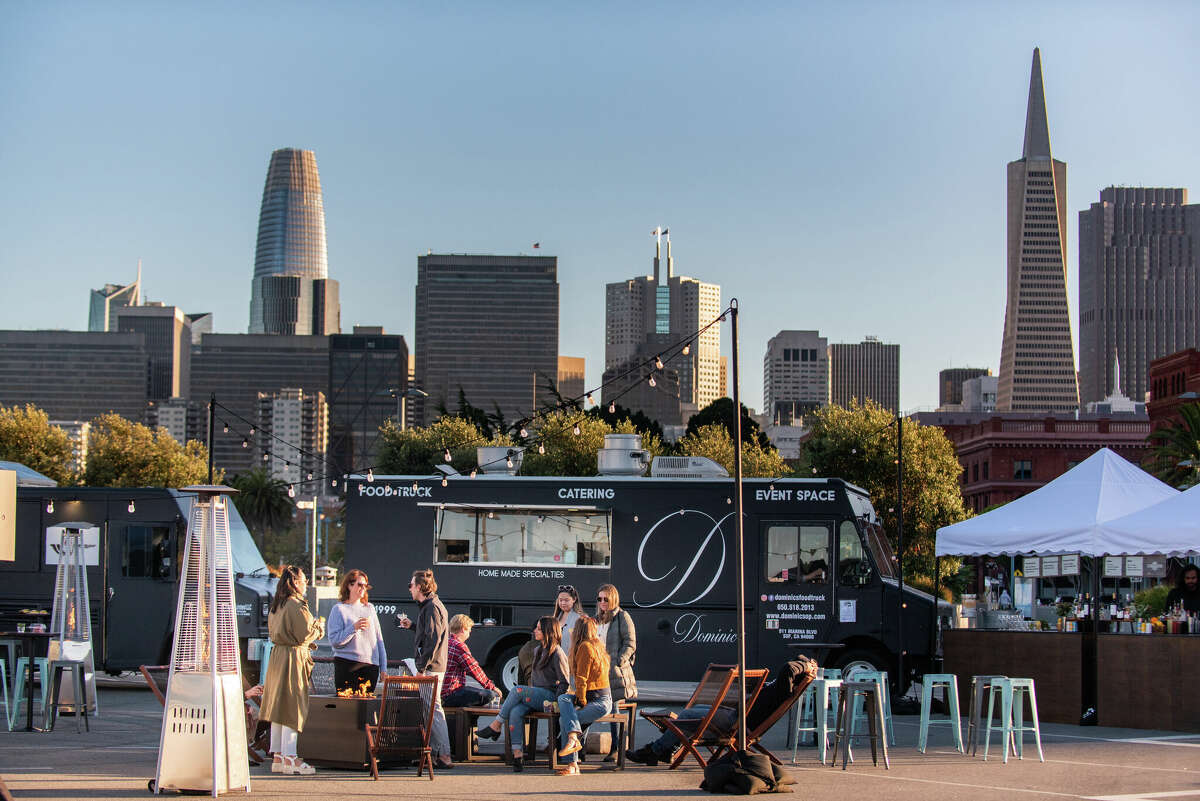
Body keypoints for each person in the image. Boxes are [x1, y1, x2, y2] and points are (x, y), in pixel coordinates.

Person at [627, 657, 818, 766]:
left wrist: (806, 665)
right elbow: (792, 665)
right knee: (693, 711)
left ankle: (654, 750)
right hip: (735, 717)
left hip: (737, 723)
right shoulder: (783, 687)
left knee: (685, 717)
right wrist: (806, 661)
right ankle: (668, 749)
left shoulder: (783, 689)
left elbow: (788, 668)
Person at [475, 616, 569, 772]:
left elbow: (565, 682)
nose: (535, 631)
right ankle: (517, 755)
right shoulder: (538, 650)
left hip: (550, 696)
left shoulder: (557, 653)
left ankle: (496, 725)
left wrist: (556, 703)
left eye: (539, 628)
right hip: (537, 694)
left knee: (516, 690)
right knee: (515, 711)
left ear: (548, 631)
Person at [259, 565, 325, 775]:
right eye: (304, 580)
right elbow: (306, 634)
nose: (306, 583)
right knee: (292, 707)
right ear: (295, 582)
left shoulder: (277, 604)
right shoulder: (296, 605)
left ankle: (278, 756)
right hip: (293, 658)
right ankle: (291, 758)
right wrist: (320, 626)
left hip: (278, 656)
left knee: (278, 706)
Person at [398, 568, 454, 769]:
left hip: (431, 667)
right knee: (431, 709)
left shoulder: (431, 608)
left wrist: (421, 668)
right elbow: (431, 634)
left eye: (411, 585)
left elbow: (432, 641)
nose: (409, 589)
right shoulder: (431, 606)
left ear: (420, 587)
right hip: (434, 665)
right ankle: (436, 753)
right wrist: (413, 626)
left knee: (433, 710)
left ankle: (444, 754)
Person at [554, 616, 612, 776]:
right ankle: (573, 745)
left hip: (598, 700)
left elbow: (581, 678)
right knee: (564, 698)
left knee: (565, 720)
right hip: (599, 697)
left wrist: (581, 701)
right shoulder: (597, 645)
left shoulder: (585, 647)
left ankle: (572, 764)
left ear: (578, 631)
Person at [326, 569, 387, 694]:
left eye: (365, 585)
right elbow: (335, 641)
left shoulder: (370, 609)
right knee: (347, 709)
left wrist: (383, 668)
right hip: (347, 665)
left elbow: (379, 640)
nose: (363, 588)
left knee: (366, 709)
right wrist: (353, 628)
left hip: (370, 666)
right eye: (360, 584)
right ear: (349, 585)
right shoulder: (339, 609)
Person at [596, 583, 636, 762]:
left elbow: (630, 643)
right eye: (599, 599)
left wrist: (619, 661)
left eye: (606, 599)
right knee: (587, 703)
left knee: (614, 707)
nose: (602, 602)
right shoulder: (596, 619)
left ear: (613, 599)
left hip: (614, 672)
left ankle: (616, 747)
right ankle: (578, 746)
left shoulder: (622, 617)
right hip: (597, 671)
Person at [442, 614, 501, 707]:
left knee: (472, 693)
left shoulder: (444, 642)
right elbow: (473, 669)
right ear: (463, 629)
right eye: (469, 631)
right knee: (489, 695)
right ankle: (470, 720)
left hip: (441, 693)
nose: (469, 634)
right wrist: (492, 687)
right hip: (451, 693)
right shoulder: (459, 646)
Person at [554, 584, 583, 654]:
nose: (563, 603)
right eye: (560, 600)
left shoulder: (580, 618)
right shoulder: (556, 618)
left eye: (566, 600)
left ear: (574, 599)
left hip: (571, 660)